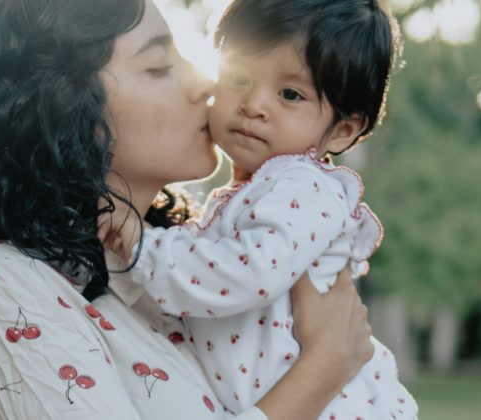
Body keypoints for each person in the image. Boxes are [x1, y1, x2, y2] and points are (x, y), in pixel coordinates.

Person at [0, 0, 374, 419]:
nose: (206, 83)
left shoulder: (168, 268)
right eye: (159, 67)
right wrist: (324, 368)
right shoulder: (1, 284)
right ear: (62, 104)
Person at [104, 0, 418, 418]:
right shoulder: (258, 190)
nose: (254, 103)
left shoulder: (303, 187)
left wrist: (145, 248)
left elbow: (247, 271)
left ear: (343, 130)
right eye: (239, 76)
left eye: (290, 94)